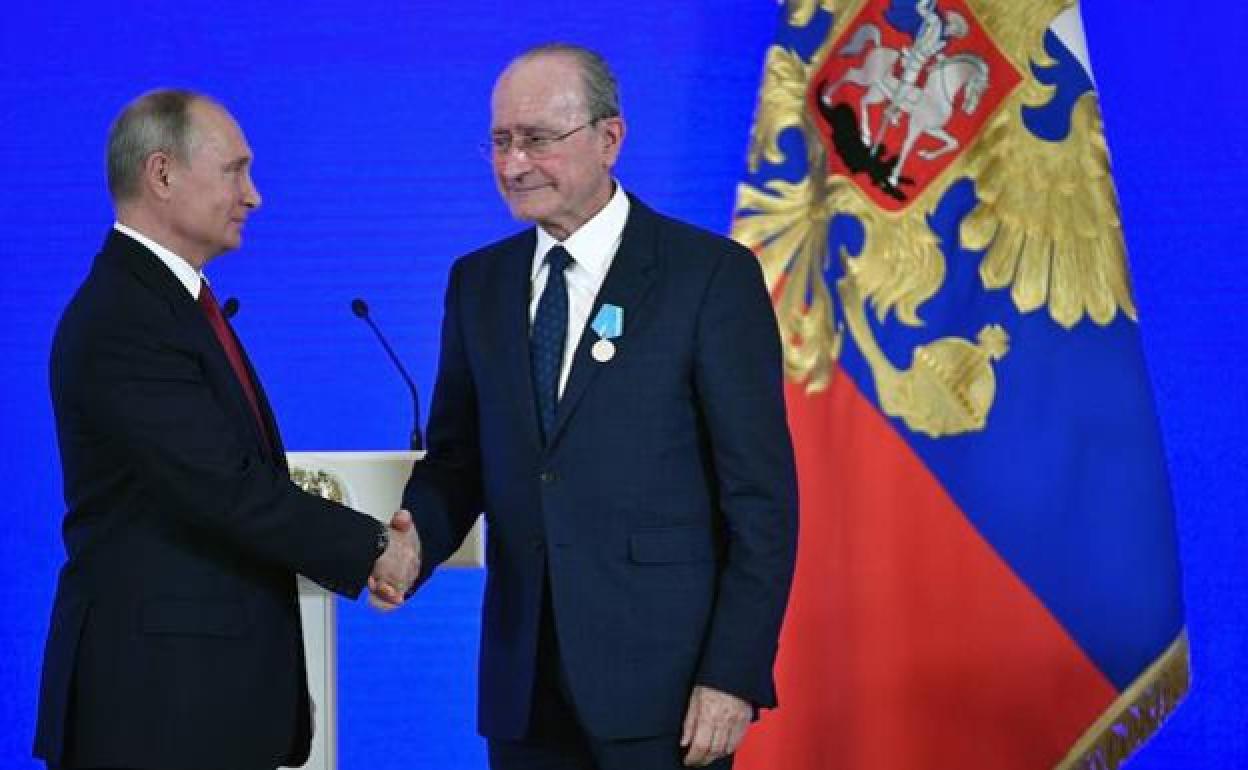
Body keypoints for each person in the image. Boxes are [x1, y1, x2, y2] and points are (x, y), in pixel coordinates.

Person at [393, 44, 798, 769]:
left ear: (610, 139)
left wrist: (732, 675)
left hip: (667, 692)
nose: (513, 163)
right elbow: (460, 459)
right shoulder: (478, 283)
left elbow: (760, 499)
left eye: (537, 139)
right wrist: (412, 542)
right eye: (500, 140)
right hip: (525, 690)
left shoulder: (708, 277)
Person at [32, 89, 420, 770]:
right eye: (235, 171)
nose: (254, 196)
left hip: (196, 703)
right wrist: (373, 548)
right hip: (155, 708)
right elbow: (224, 488)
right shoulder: (125, 318)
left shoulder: (171, 304)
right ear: (162, 174)